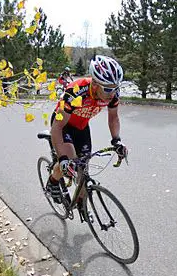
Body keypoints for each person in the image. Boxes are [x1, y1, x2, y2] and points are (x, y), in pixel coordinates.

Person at [46, 56, 128, 205]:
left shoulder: (112, 94)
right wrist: (63, 159)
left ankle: (81, 203)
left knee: (83, 169)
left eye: (116, 87)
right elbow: (57, 128)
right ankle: (53, 181)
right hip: (63, 126)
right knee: (70, 162)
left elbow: (113, 118)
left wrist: (117, 140)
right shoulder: (76, 92)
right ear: (95, 84)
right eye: (109, 88)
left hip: (82, 127)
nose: (113, 93)